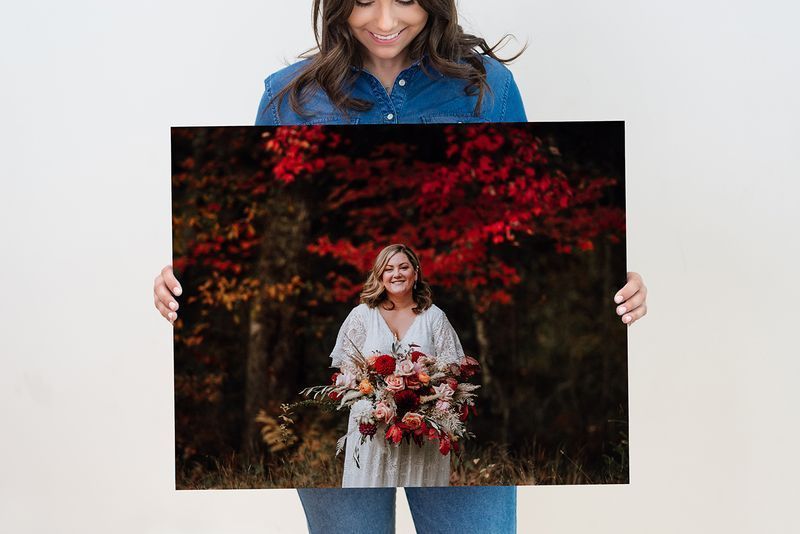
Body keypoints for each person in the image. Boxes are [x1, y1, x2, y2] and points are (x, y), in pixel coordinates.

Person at [154, 0, 649, 531]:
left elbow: (534, 222)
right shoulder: (289, 97)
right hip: (365, 431)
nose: (385, 22)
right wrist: (187, 277)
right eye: (365, 0)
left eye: (406, 0)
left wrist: (617, 279)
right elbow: (249, 230)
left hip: (438, 431)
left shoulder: (488, 88)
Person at [333, 244, 465, 488]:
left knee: (419, 498)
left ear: (415, 272)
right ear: (380, 275)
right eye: (389, 268)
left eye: (403, 267)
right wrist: (377, 400)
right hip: (374, 427)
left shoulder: (434, 317)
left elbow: (451, 370)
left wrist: (426, 398)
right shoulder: (362, 315)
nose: (397, 274)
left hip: (421, 428)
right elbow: (348, 371)